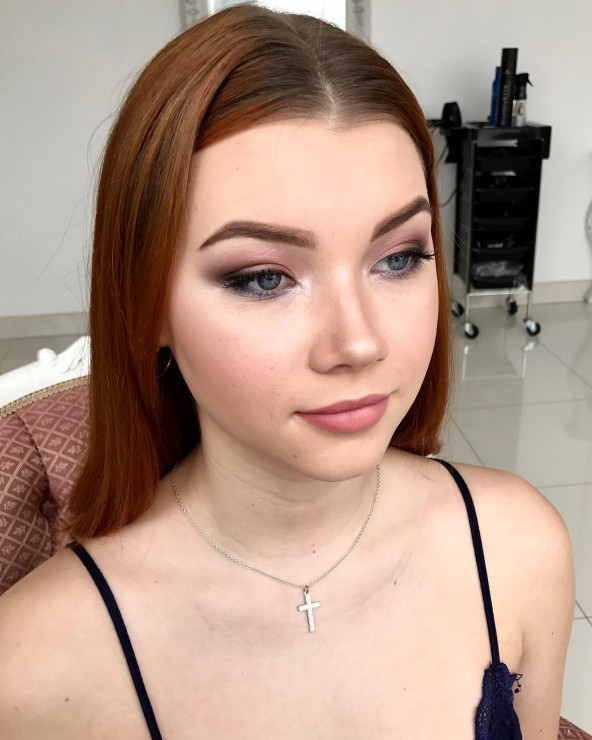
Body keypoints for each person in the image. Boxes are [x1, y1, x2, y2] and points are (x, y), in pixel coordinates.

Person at [0, 5, 574, 738]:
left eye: (399, 258)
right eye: (265, 278)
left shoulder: (518, 546)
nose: (359, 343)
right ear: (145, 305)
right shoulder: (34, 672)